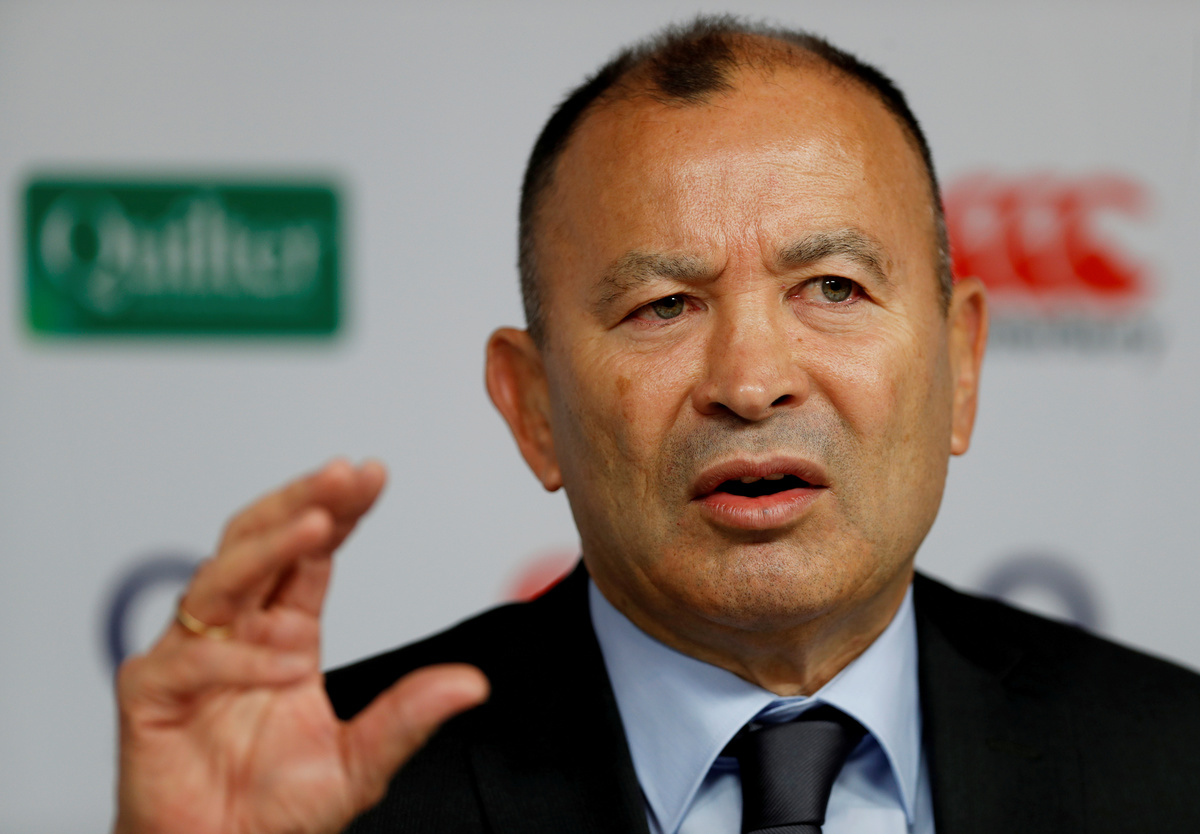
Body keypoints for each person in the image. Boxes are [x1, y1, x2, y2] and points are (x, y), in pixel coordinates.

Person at [112, 16, 1200, 834]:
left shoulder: (1171, 762)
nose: (752, 383)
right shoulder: (337, 798)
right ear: (532, 407)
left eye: (831, 287)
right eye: (663, 306)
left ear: (961, 366)